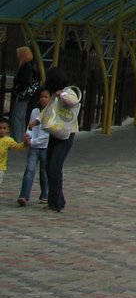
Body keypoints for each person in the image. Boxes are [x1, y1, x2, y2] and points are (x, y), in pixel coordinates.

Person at [41, 81, 80, 213]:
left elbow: (72, 101)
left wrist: (61, 94)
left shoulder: (69, 91)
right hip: (55, 131)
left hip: (67, 133)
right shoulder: (53, 96)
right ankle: (58, 199)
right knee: (49, 167)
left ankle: (55, 203)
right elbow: (47, 110)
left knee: (55, 167)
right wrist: (36, 120)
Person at [17, 88, 49, 207]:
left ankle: (45, 194)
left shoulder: (51, 113)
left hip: (45, 146)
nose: (43, 99)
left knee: (44, 172)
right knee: (30, 169)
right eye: (41, 97)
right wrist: (27, 136)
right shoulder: (35, 111)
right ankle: (24, 195)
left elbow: (48, 135)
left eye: (46, 97)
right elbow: (30, 127)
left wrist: (33, 142)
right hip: (33, 146)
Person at [9, 46, 39, 137]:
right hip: (27, 95)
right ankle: (21, 137)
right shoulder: (31, 66)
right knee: (21, 117)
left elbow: (24, 81)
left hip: (22, 94)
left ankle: (17, 138)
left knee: (17, 117)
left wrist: (17, 90)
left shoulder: (26, 67)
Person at [0, 119, 22, 197]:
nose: (2, 130)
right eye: (0, 128)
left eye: (4, 128)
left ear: (8, 130)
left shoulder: (8, 140)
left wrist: (25, 143)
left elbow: (17, 147)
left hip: (1, 167)